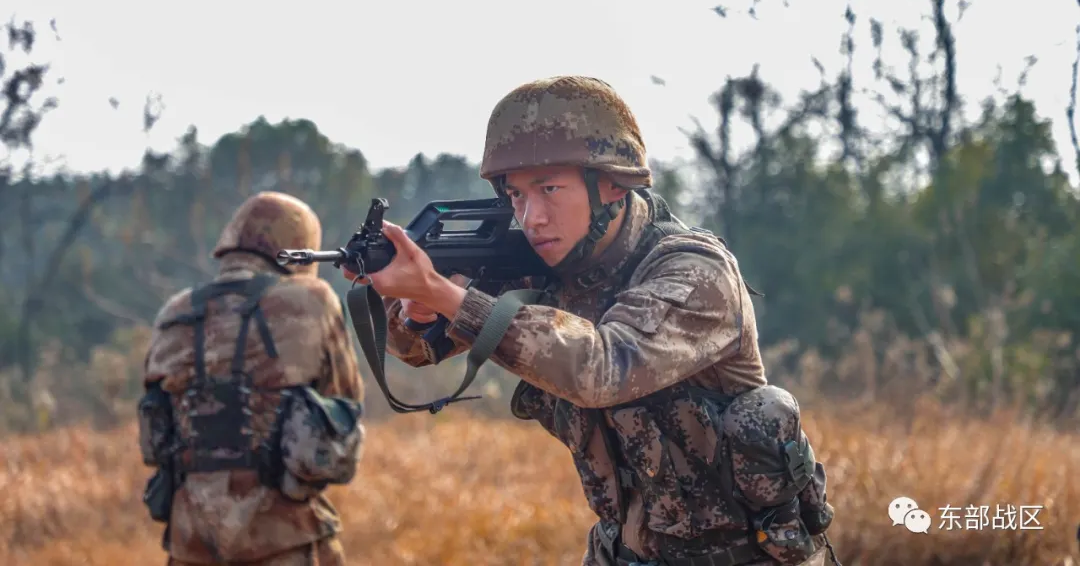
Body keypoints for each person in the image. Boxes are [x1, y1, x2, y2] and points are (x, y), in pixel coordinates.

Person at [351, 76, 837, 566]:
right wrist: (418, 310)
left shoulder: (694, 270)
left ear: (610, 184)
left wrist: (444, 294)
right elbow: (420, 350)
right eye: (516, 195)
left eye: (550, 189)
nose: (532, 216)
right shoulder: (551, 264)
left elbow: (603, 368)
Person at [138, 191, 366, 566]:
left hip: (189, 540)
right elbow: (344, 404)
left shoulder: (174, 312)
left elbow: (156, 432)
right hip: (285, 536)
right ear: (298, 248)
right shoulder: (311, 300)